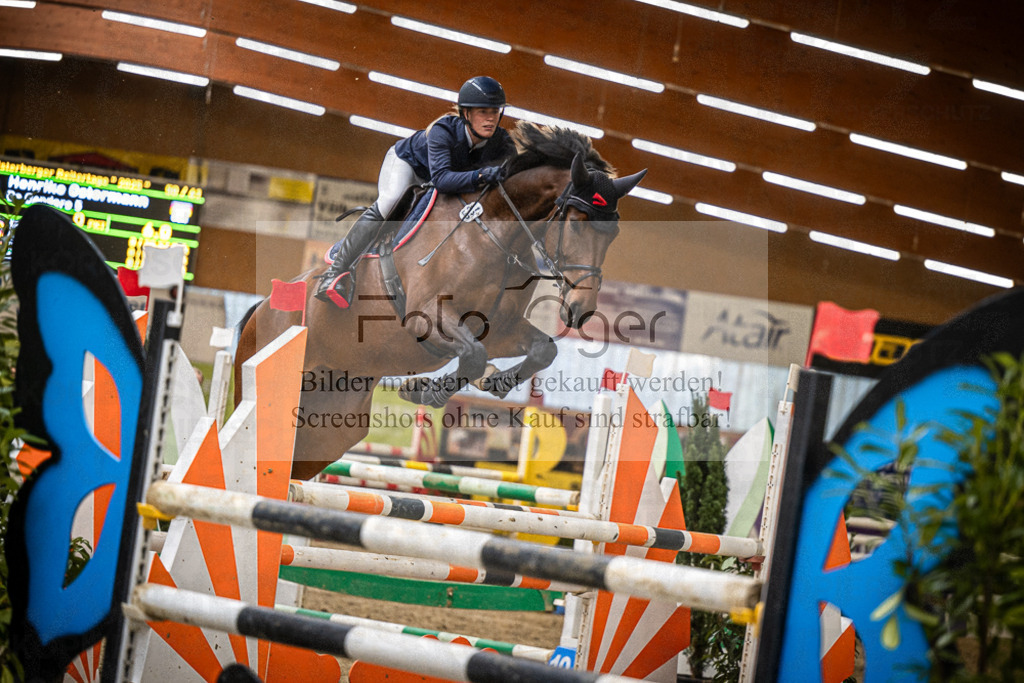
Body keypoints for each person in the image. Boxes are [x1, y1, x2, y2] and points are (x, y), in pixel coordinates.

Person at [316, 75, 516, 306]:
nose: (491, 119)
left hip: (447, 179)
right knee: (390, 201)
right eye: (483, 112)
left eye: (495, 112)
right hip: (408, 165)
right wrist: (480, 176)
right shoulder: (444, 131)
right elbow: (441, 179)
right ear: (466, 114)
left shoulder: (502, 142)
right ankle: (335, 274)